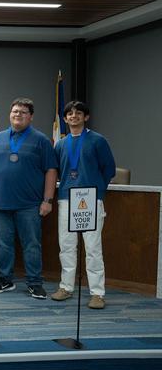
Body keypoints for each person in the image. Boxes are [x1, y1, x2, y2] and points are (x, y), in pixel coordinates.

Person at [0, 97, 57, 299]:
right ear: (10, 114)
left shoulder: (41, 140)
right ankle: (5, 280)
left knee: (31, 245)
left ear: (31, 117)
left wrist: (48, 200)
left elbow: (51, 170)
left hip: (30, 205)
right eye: (15, 111)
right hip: (1, 204)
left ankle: (34, 283)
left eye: (23, 112)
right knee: (2, 244)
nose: (18, 115)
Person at [51, 101, 116, 309]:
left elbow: (109, 168)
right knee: (67, 246)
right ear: (65, 118)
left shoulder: (97, 140)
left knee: (93, 247)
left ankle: (97, 293)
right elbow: (56, 171)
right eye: (69, 113)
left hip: (90, 197)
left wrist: (98, 190)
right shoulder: (60, 144)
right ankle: (66, 287)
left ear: (85, 117)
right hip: (65, 197)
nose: (73, 116)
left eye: (78, 113)